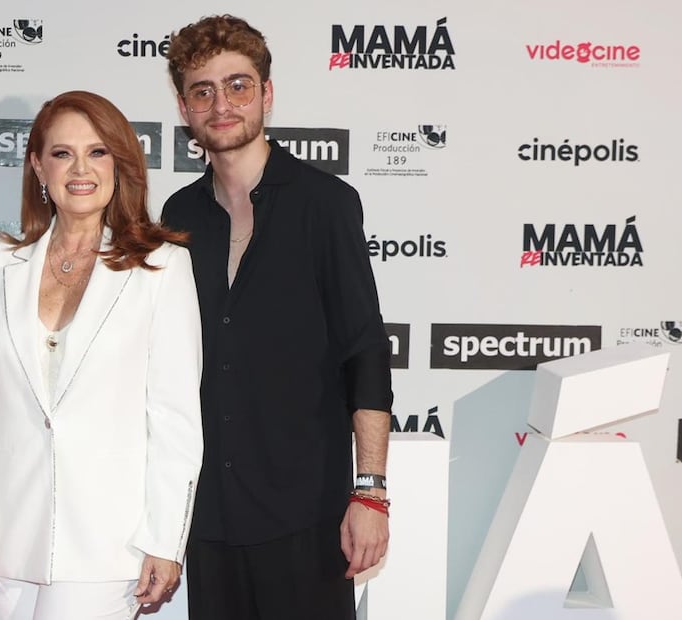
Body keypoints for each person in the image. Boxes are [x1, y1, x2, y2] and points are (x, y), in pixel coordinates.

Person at [162, 15, 394, 620]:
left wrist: (370, 493)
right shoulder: (178, 217)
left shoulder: (325, 204)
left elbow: (365, 351)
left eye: (237, 86)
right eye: (203, 91)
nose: (221, 105)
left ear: (266, 93)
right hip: (208, 517)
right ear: (184, 107)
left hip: (306, 515)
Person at [0, 90, 204, 620]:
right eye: (63, 153)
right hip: (7, 541)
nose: (81, 169)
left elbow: (174, 418)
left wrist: (165, 540)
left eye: (97, 152)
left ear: (120, 165)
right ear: (39, 166)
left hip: (108, 543)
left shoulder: (161, 268)